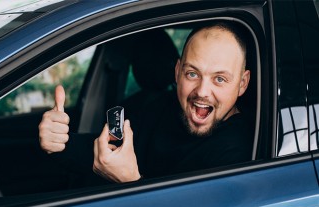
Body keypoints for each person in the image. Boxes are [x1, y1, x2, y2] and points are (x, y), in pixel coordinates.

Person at [38, 21, 253, 184]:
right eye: (192, 74)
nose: (202, 92)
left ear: (242, 84)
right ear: (177, 72)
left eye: (220, 79)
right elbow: (107, 150)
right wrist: (60, 142)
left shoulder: (241, 154)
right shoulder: (157, 108)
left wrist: (131, 181)